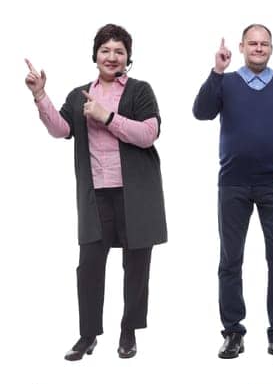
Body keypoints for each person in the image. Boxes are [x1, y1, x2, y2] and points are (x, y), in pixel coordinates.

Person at [24, 24, 166, 361]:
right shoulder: (78, 95)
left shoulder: (140, 90)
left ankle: (128, 331)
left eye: (119, 51)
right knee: (88, 266)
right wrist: (40, 95)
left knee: (136, 267)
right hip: (95, 195)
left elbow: (149, 133)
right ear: (96, 55)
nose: (112, 57)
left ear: (128, 58)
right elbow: (61, 130)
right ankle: (88, 334)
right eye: (106, 50)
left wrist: (107, 117)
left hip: (137, 194)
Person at [192, 24, 273, 362]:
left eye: (264, 44)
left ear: (271, 48)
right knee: (230, 261)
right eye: (252, 44)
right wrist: (217, 71)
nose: (258, 48)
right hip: (232, 183)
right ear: (242, 47)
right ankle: (233, 333)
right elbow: (201, 112)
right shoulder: (227, 82)